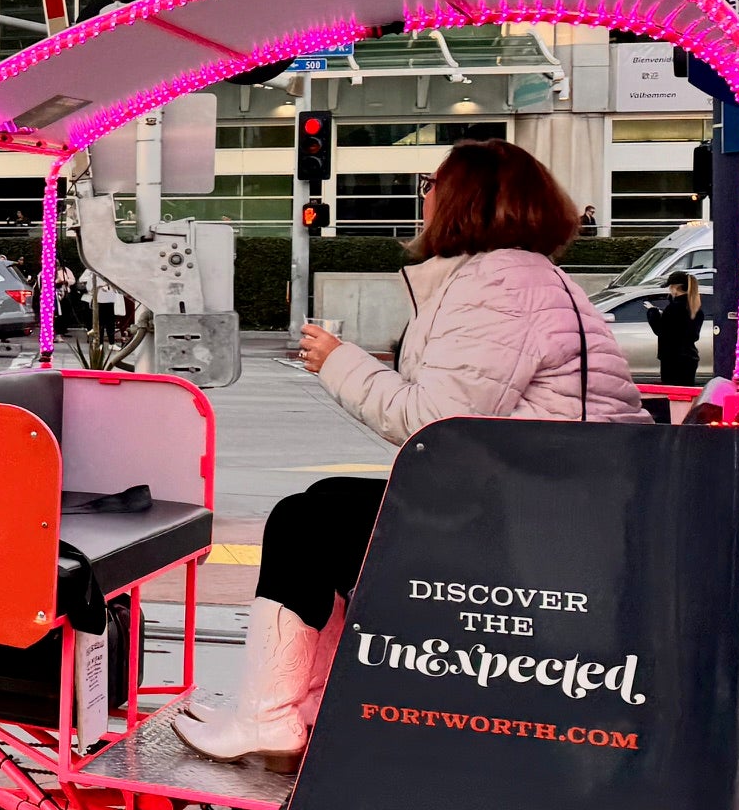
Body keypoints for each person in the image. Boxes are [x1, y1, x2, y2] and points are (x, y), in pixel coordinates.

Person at [175, 140, 647, 767]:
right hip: (555, 501)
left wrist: (338, 363)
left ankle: (269, 717)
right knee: (321, 508)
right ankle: (296, 708)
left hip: (528, 524)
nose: (423, 194)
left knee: (306, 522)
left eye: (432, 181)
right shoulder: (531, 278)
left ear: (464, 198)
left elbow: (433, 421)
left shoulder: (499, 286)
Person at [648, 271, 705, 391]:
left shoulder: (673, 308)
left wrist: (652, 312)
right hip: (689, 357)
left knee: (672, 393)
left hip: (672, 359)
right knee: (686, 393)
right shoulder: (695, 307)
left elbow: (661, 331)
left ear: (675, 288)